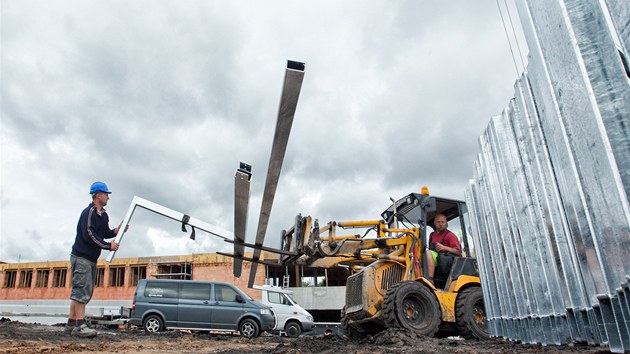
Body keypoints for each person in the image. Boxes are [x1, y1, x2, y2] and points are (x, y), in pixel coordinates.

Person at [65, 181, 127, 337]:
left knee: (82, 291)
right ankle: (80, 326)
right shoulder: (89, 212)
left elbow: (104, 233)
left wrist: (116, 231)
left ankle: (71, 325)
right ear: (98, 195)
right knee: (81, 291)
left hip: (91, 259)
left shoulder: (103, 215)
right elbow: (89, 235)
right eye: (106, 195)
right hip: (81, 256)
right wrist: (108, 246)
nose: (108, 198)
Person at [425, 213, 461, 285]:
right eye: (438, 222)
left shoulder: (450, 235)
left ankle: (430, 279)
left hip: (446, 261)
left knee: (427, 253)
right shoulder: (432, 235)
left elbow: (458, 252)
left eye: (443, 222)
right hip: (435, 259)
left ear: (446, 224)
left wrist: (444, 248)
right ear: (434, 223)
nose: (441, 224)